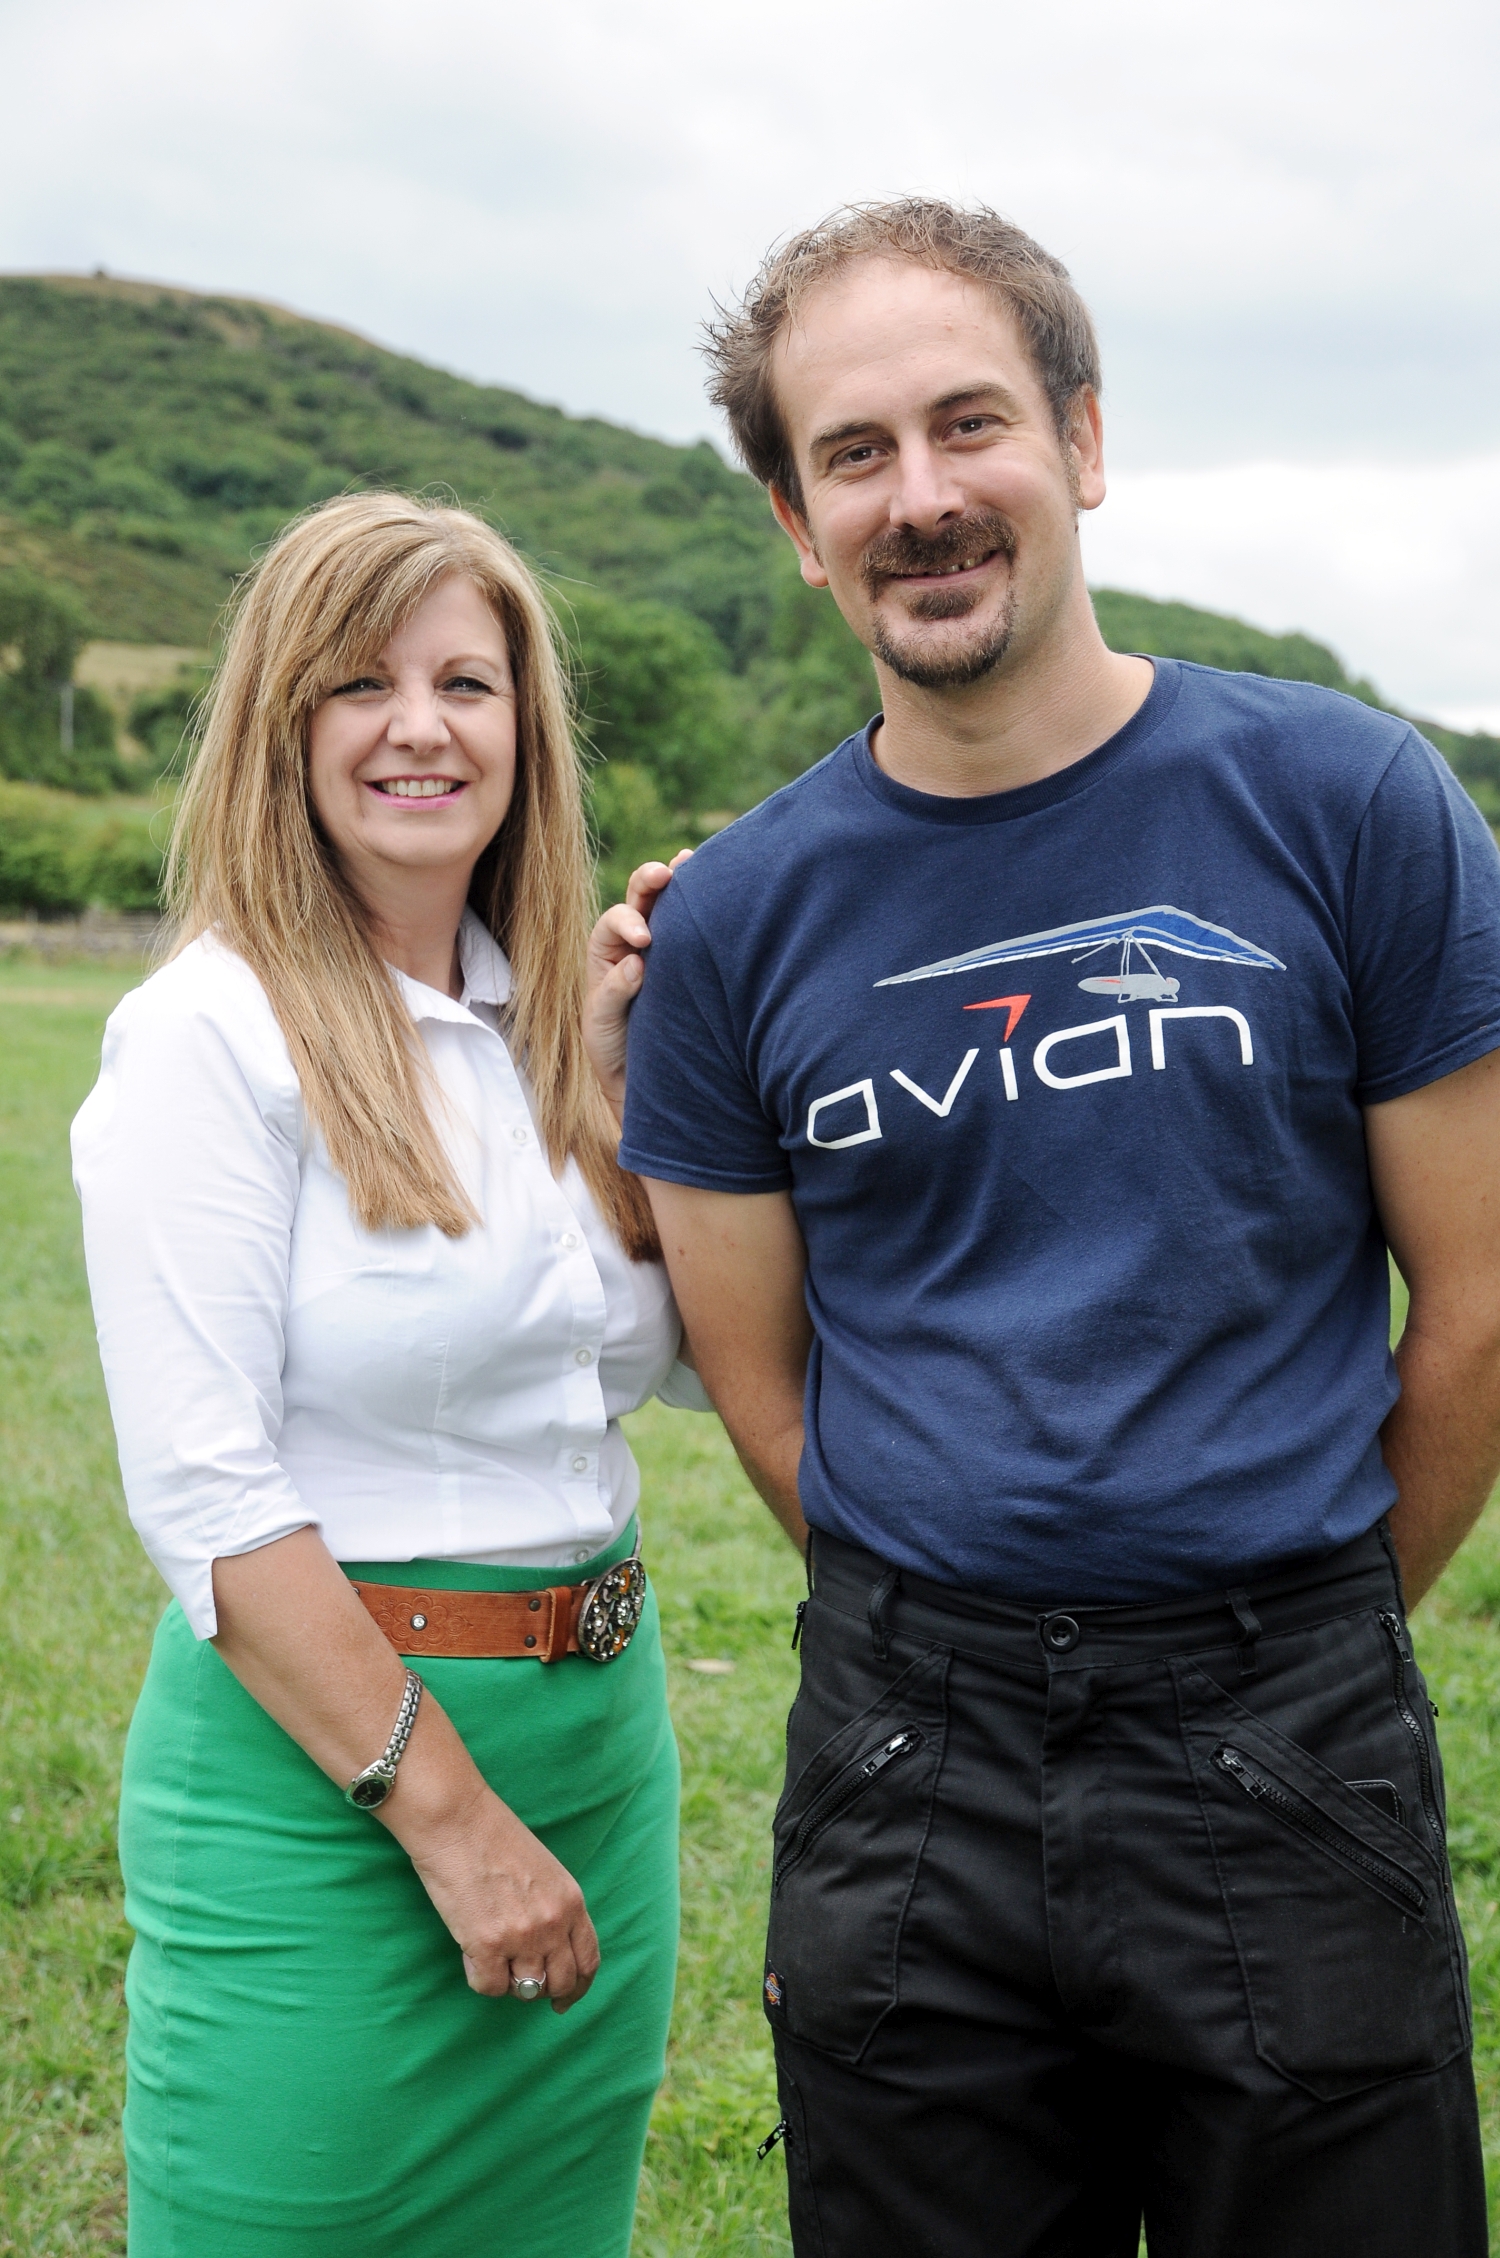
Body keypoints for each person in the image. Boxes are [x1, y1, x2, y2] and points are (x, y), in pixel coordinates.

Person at [593, 200, 1500, 2256]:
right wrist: (979, 1633)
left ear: (1082, 443)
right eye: (853, 455)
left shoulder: (1350, 802)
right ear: (793, 524)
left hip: (1291, 1728)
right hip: (913, 1776)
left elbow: (1478, 1307)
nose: (922, 498)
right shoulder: (736, 923)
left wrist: (1307, 1623)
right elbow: (765, 1392)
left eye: (968, 424)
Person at [72, 493, 707, 2258]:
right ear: (283, 723)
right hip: (340, 1782)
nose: (421, 725)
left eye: (465, 681)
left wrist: (652, 1099)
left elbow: (667, 1375)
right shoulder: (210, 1032)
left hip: (599, 1747)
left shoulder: (550, 1028)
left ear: (529, 729)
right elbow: (205, 1492)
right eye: (360, 683)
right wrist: (453, 1823)